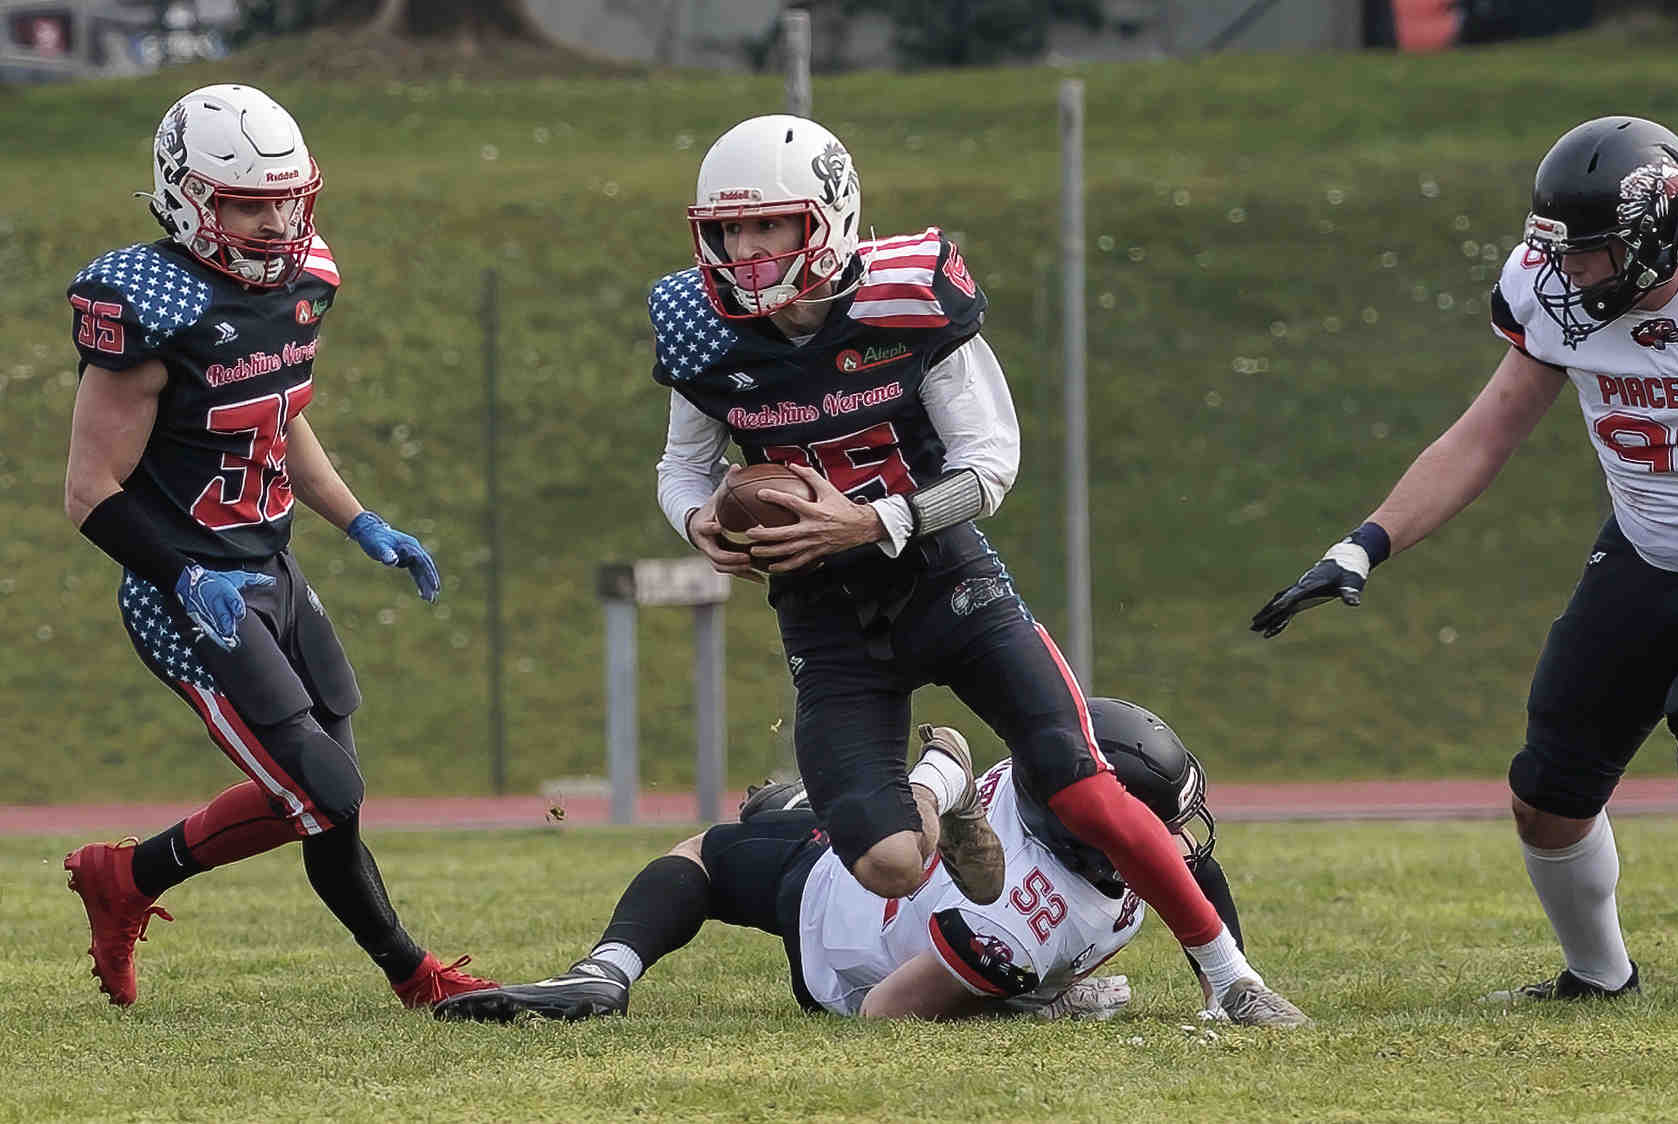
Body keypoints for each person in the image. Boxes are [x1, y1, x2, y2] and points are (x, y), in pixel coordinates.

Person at [1251, 116, 1678, 1005]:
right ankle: (1597, 974)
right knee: (1546, 791)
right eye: (1559, 251)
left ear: (1659, 237)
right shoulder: (1548, 293)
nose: (1568, 273)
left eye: (1591, 252)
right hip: (1651, 547)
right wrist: (1363, 544)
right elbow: (1482, 439)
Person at [651, 114, 1305, 1025]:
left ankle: (1233, 978)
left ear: (828, 219)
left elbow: (990, 463)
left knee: (1080, 783)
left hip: (941, 575)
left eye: (768, 225)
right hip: (826, 612)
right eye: (727, 230)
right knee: (887, 863)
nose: (744, 250)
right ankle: (942, 787)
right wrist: (697, 521)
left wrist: (869, 518)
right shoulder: (702, 330)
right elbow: (683, 467)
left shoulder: (908, 295)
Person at [59, 84, 493, 1009]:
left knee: (332, 791)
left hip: (272, 571)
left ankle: (134, 879)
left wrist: (360, 519)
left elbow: (280, 421)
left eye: (284, 199)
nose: (272, 222)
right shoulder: (145, 302)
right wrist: (182, 572)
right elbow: (87, 492)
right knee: (326, 790)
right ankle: (408, 975)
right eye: (245, 203)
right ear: (184, 195)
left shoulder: (306, 281)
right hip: (185, 591)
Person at [435, 700, 1273, 1023]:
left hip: (875, 903)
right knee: (746, 831)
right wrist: (1047, 1003)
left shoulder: (1049, 815)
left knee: (739, 834)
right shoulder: (1041, 912)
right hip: (857, 911)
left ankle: (609, 970)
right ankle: (611, 971)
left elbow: (878, 1011)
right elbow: (889, 1014)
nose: (1177, 845)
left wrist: (1224, 986)